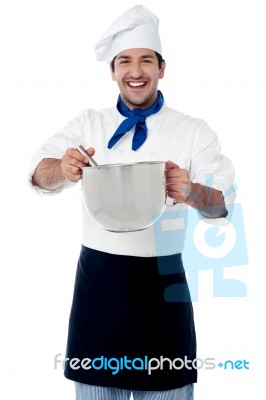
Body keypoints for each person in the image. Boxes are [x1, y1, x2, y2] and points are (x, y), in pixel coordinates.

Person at [29, 5, 234, 400]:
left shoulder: (193, 131)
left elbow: (223, 206)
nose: (135, 71)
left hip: (164, 293)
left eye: (145, 60)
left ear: (162, 67)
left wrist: (192, 192)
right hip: (97, 289)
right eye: (125, 61)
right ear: (112, 70)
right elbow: (38, 175)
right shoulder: (87, 123)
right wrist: (63, 167)